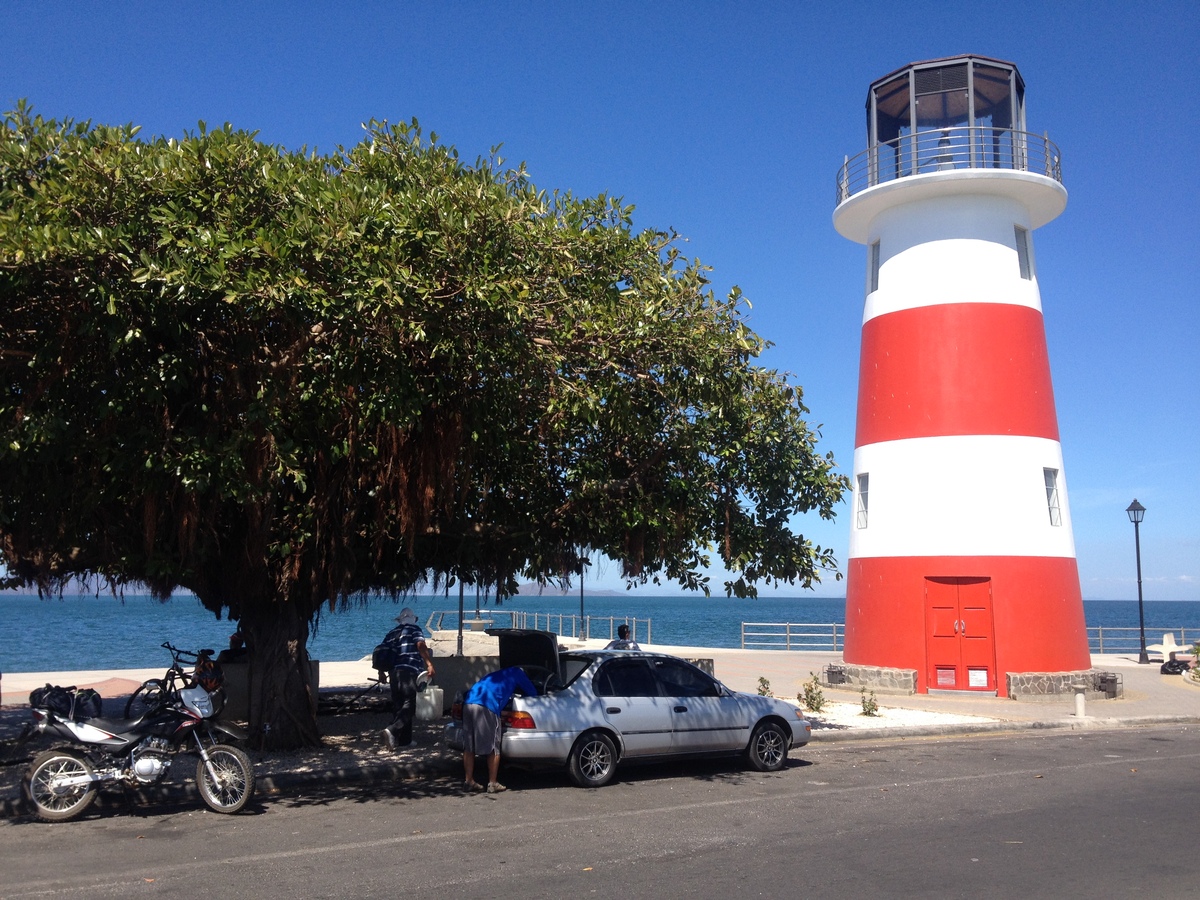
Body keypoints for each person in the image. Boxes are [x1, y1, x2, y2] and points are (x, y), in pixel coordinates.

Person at [461, 666, 538, 793]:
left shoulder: (498, 674)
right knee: (493, 744)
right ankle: (493, 783)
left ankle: (469, 781)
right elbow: (532, 693)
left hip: (469, 702)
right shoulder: (518, 673)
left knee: (469, 745)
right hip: (487, 705)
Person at [380, 607, 435, 751]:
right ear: (412, 619)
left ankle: (403, 741)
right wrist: (429, 664)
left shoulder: (392, 633)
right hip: (409, 671)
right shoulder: (415, 629)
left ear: (400, 620)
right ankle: (392, 729)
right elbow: (421, 645)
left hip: (394, 673)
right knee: (412, 702)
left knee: (399, 705)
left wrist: (381, 672)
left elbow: (382, 652)